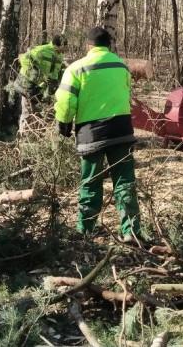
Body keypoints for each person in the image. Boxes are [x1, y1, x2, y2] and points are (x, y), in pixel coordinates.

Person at [55, 26, 144, 244]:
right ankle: (130, 231)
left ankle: (85, 231)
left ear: (88, 46)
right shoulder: (121, 65)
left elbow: (66, 101)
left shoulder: (76, 68)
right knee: (125, 182)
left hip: (91, 133)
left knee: (91, 182)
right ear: (109, 46)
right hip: (122, 130)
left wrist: (64, 124)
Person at [16, 35, 66, 133]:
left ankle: (38, 135)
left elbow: (55, 70)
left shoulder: (60, 55)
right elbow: (23, 59)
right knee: (27, 112)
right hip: (28, 85)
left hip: (43, 88)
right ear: (60, 45)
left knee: (40, 113)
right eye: (66, 46)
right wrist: (37, 75)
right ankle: (23, 136)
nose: (67, 48)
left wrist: (54, 84)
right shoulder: (41, 50)